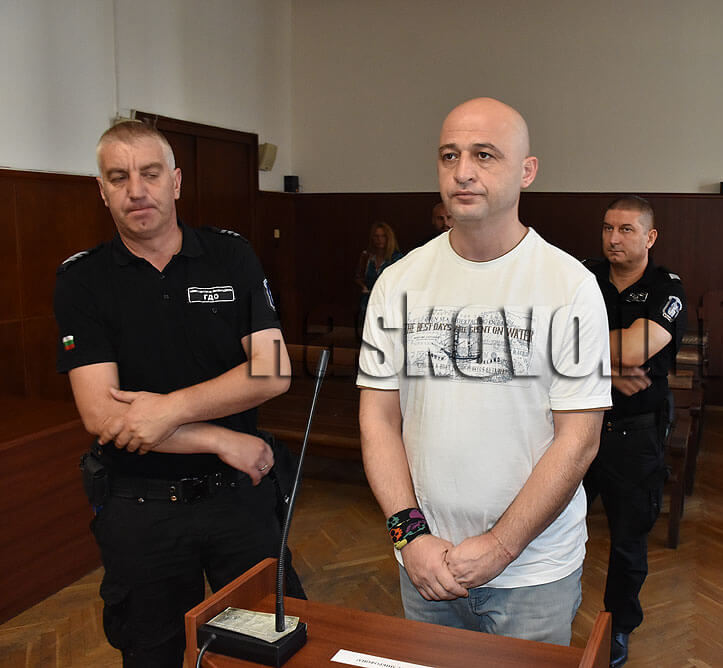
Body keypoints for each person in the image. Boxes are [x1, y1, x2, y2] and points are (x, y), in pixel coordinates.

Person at [357, 97, 612, 645]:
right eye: (449, 155)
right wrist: (409, 537)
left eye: (485, 154)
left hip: (533, 574)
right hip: (426, 563)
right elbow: (378, 421)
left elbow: (579, 439)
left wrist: (501, 545)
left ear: (527, 170)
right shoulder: (397, 283)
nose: (463, 172)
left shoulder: (570, 286)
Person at [53, 120, 305, 668]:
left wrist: (169, 409)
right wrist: (219, 438)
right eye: (118, 177)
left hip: (239, 499)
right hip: (141, 508)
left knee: (273, 648)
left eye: (150, 173)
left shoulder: (230, 256)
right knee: (154, 655)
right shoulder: (82, 281)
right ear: (102, 190)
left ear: (176, 182)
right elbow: (103, 415)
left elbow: (273, 372)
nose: (136, 190)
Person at [583, 195, 685, 667]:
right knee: (551, 525)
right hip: (577, 425)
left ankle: (618, 627)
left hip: (635, 433)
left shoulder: (667, 287)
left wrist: (580, 352)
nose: (614, 238)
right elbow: (538, 339)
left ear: (650, 237)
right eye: (608, 228)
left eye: (626, 230)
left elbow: (634, 351)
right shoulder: (582, 276)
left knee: (628, 539)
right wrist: (605, 371)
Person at [354, 220, 404, 312]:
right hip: (367, 302)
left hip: (388, 304)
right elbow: (358, 277)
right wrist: (363, 287)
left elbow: (400, 283)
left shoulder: (397, 258)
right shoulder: (366, 256)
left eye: (383, 236)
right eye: (376, 236)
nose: (379, 239)